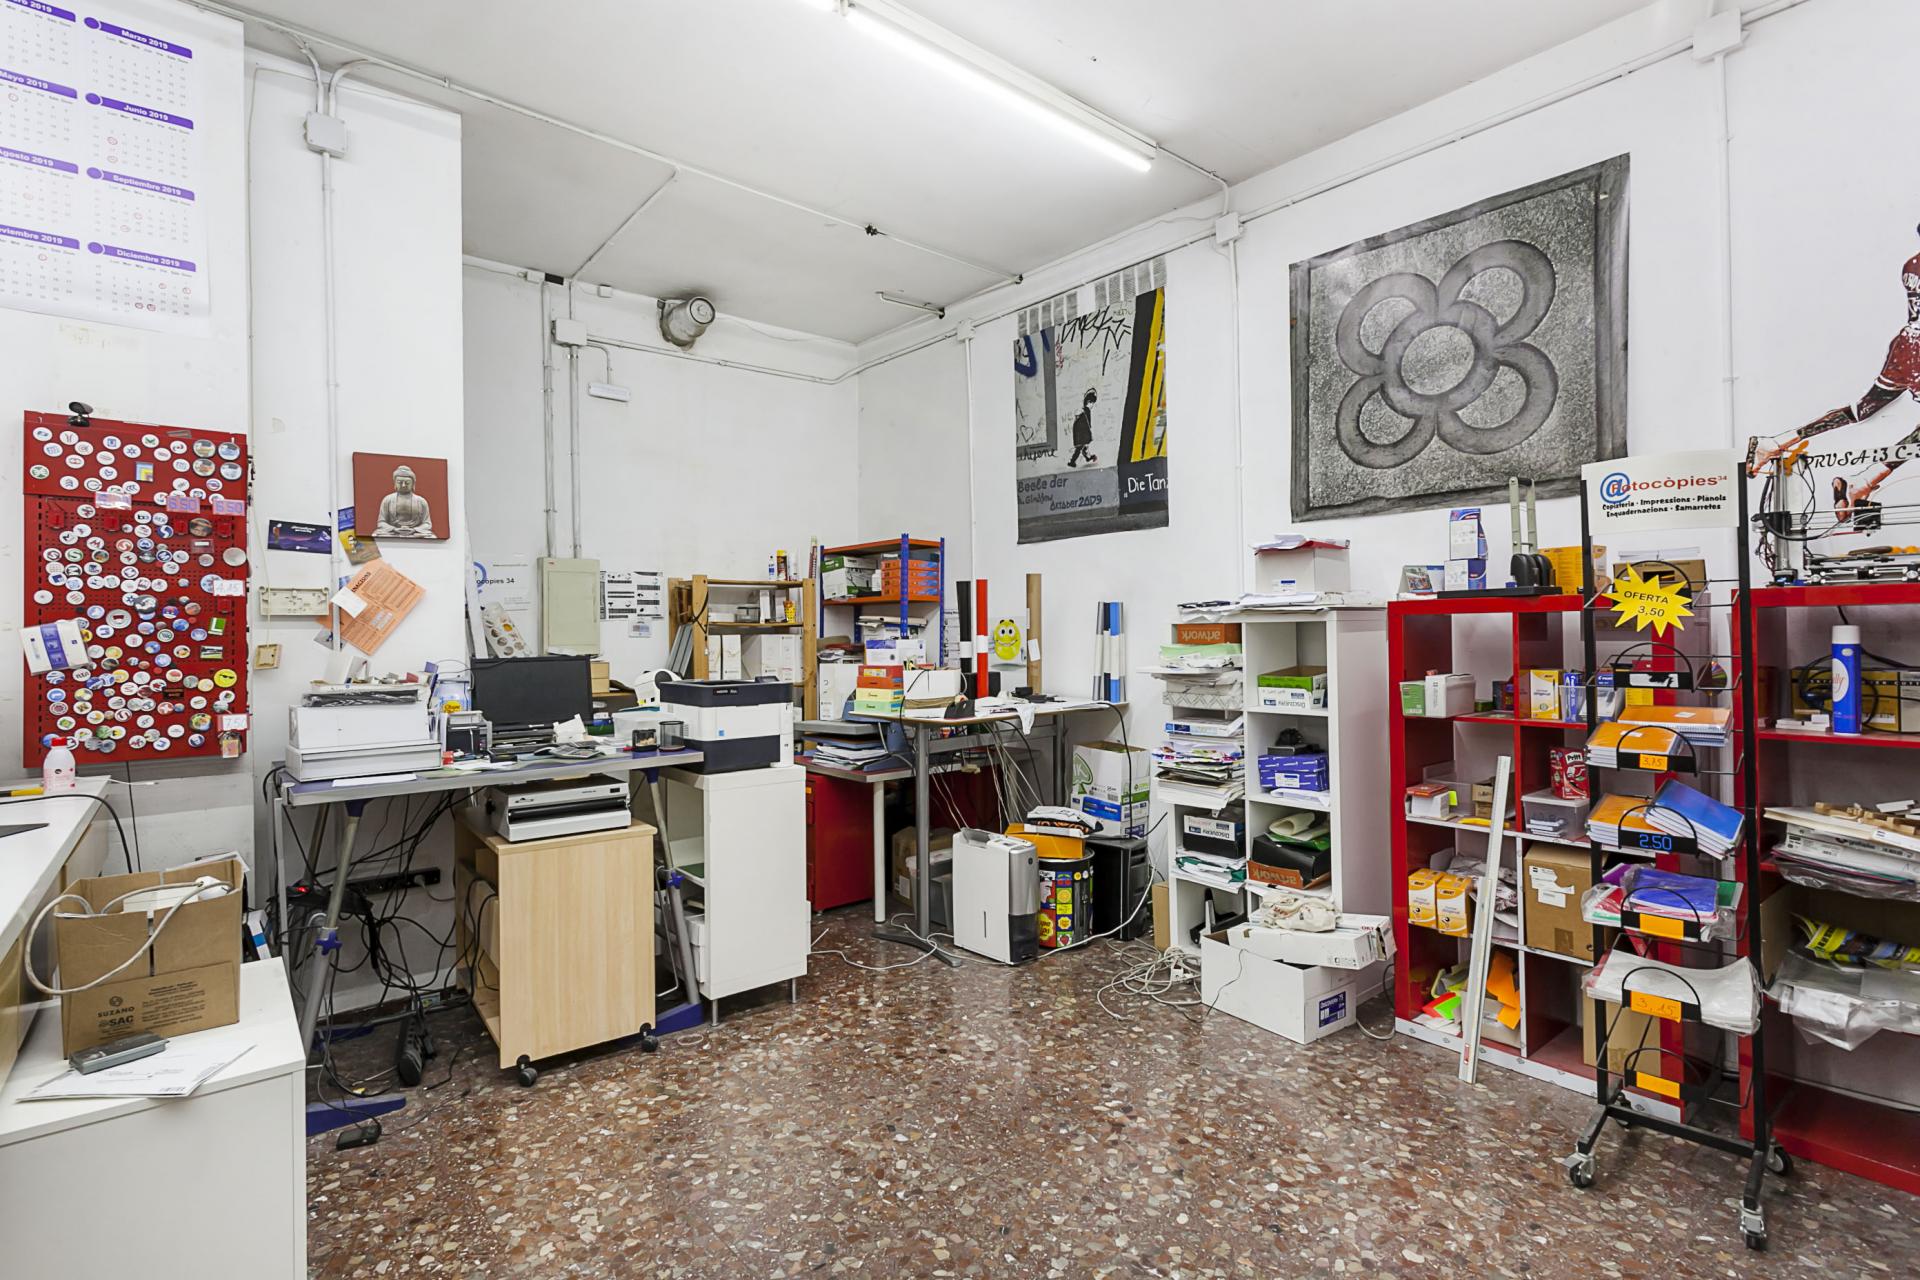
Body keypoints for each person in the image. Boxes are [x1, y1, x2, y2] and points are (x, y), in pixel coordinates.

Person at [1751, 230, 1920, 515]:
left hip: (1907, 343)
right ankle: (1862, 481)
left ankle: (1777, 442)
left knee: (1861, 410)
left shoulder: (1911, 265)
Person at [372, 464, 436, 538]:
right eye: (399, 482)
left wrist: (414, 530)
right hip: (393, 532)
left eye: (407, 483)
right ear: (395, 483)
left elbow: (427, 524)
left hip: (415, 533)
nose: (403, 485)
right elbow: (381, 522)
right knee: (376, 535)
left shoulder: (421, 501)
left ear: (413, 483)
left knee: (431, 537)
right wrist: (394, 529)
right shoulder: (387, 500)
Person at [1067, 388, 1098, 468]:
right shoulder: (1086, 410)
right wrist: (1089, 432)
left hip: (1080, 433)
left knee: (1084, 446)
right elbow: (1088, 422)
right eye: (1092, 403)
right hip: (1082, 434)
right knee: (1080, 447)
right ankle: (1072, 461)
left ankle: (1087, 457)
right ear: (1088, 402)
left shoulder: (1083, 410)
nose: (1092, 405)